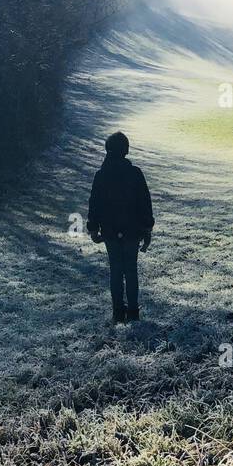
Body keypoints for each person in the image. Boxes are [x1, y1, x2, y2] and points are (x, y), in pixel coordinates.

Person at [86, 131, 155, 324]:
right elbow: (144, 202)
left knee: (116, 270)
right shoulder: (135, 173)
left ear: (108, 150)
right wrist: (147, 226)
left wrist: (93, 227)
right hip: (132, 230)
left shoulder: (101, 175)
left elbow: (95, 204)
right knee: (131, 270)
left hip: (109, 230)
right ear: (126, 150)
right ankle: (133, 311)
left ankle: (118, 312)